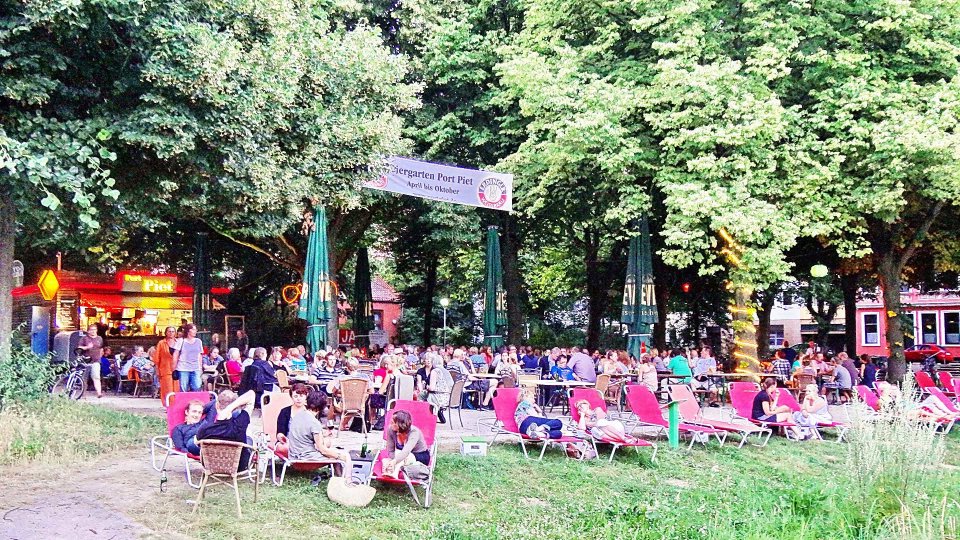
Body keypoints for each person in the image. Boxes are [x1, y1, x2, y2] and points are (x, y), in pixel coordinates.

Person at [286, 391, 354, 482]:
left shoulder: (297, 416)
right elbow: (322, 450)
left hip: (294, 454)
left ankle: (339, 480)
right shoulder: (314, 423)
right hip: (306, 458)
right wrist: (339, 456)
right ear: (323, 407)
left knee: (335, 453)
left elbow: (304, 435)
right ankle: (348, 482)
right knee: (345, 455)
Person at [197, 390, 256, 470]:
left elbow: (197, 443)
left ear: (216, 405)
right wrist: (230, 408)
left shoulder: (204, 428)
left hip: (210, 466)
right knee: (248, 434)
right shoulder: (239, 424)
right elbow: (251, 394)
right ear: (235, 408)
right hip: (238, 466)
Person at [381, 409, 431, 477]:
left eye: (393, 422)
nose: (390, 422)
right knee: (389, 458)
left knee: (403, 456)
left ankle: (394, 473)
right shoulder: (391, 430)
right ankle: (396, 468)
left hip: (419, 455)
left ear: (400, 425)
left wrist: (394, 462)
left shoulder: (414, 432)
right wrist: (393, 460)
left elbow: (406, 451)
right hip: (402, 456)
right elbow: (390, 450)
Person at [173, 323, 203, 392]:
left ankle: (194, 401)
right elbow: (176, 354)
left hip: (195, 367)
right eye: (193, 329)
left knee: (197, 386)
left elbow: (199, 355)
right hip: (183, 368)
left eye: (195, 330)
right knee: (183, 388)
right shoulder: (181, 341)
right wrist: (174, 368)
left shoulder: (198, 341)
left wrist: (200, 368)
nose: (195, 331)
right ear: (188, 331)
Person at [152, 327, 178, 405]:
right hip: (165, 369)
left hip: (177, 369)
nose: (171, 333)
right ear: (166, 332)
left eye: (173, 331)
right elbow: (157, 358)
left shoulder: (179, 342)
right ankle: (169, 405)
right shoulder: (161, 343)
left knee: (177, 389)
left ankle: (176, 405)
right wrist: (157, 370)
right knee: (167, 389)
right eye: (169, 331)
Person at [77, 324, 104, 398]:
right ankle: (83, 394)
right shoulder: (84, 338)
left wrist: (100, 355)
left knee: (96, 376)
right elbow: (79, 347)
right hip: (86, 360)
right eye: (91, 329)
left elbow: (101, 348)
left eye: (94, 329)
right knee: (84, 378)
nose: (93, 331)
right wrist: (87, 347)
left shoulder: (99, 338)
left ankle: (99, 393)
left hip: (96, 361)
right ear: (88, 331)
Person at [425, 354, 453, 424]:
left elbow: (431, 388)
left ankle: (426, 418)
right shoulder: (446, 371)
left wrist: (427, 387)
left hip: (439, 398)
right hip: (449, 398)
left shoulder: (435, 371)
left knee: (422, 395)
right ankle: (438, 413)